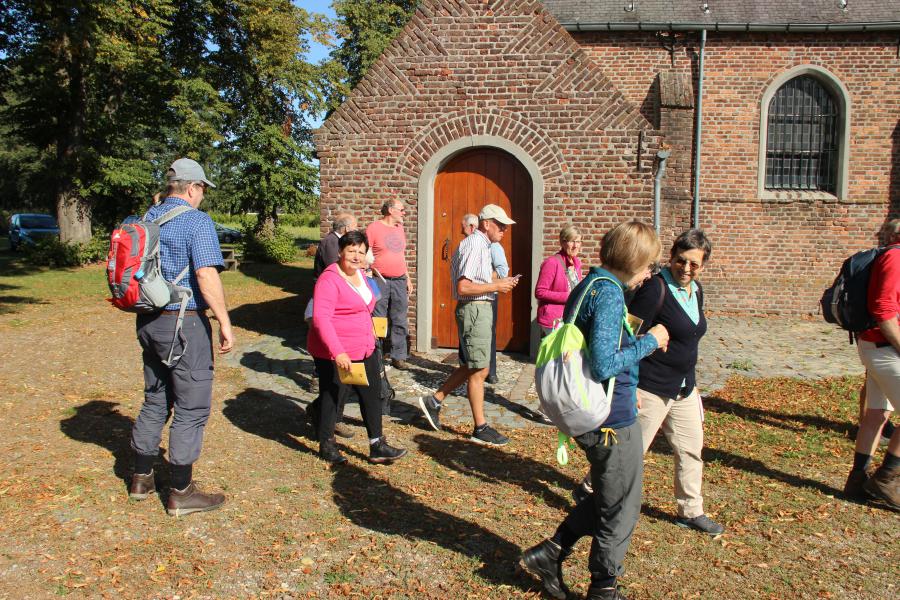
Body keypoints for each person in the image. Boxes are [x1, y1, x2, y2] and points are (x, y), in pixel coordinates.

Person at [521, 221, 669, 600]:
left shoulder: (590, 283)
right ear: (634, 260)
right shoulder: (608, 294)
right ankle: (604, 588)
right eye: (649, 264)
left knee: (608, 495)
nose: (650, 272)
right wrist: (651, 341)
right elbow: (604, 364)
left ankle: (551, 552)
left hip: (606, 410)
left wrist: (630, 383)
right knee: (620, 505)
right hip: (611, 421)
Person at [128, 158, 234, 517]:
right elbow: (205, 275)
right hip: (183, 323)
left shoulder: (149, 216)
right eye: (202, 189)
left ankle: (141, 477)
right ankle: (181, 491)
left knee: (155, 398)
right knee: (191, 407)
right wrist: (224, 321)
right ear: (192, 188)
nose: (203, 196)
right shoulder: (196, 221)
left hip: (148, 321)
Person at [627, 229, 724, 535]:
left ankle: (691, 510)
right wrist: (628, 386)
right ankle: (593, 491)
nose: (686, 268)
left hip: (684, 387)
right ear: (671, 257)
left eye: (694, 264)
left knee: (691, 450)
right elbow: (628, 332)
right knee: (630, 452)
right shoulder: (655, 289)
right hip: (650, 386)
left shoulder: (697, 291)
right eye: (681, 261)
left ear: (703, 266)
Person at [416, 204, 520, 446]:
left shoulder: (482, 245)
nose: (504, 229)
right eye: (500, 224)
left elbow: (477, 279)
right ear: (486, 223)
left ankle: (435, 400)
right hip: (475, 308)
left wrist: (499, 281)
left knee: (476, 365)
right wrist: (497, 286)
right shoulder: (475, 244)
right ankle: (480, 427)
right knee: (479, 369)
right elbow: (464, 287)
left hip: (479, 308)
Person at [307, 230, 408, 465]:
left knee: (372, 394)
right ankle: (327, 443)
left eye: (361, 252)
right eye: (351, 250)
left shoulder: (362, 275)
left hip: (365, 346)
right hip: (335, 350)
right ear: (341, 251)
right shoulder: (329, 279)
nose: (356, 256)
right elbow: (321, 319)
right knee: (334, 396)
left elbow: (368, 302)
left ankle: (377, 445)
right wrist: (337, 351)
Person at [843, 218, 900, 508]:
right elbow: (884, 310)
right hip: (885, 348)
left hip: (881, 347)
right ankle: (886, 478)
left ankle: (857, 480)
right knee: (877, 414)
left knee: (877, 414)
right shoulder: (895, 257)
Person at [308, 211, 359, 438]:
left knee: (344, 380)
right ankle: (327, 420)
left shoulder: (338, 243)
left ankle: (324, 413)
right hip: (331, 315)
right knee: (336, 379)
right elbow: (338, 272)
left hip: (345, 322)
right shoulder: (331, 243)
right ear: (346, 228)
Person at [366, 200, 413, 370]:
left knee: (400, 318)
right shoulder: (373, 228)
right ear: (391, 210)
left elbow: (400, 255)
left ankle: (398, 356)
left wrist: (407, 277)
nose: (404, 213)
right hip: (380, 280)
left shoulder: (399, 229)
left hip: (399, 280)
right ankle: (375, 355)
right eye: (401, 210)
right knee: (378, 318)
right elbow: (366, 254)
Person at [535, 225, 584, 336]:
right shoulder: (552, 263)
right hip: (554, 320)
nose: (575, 246)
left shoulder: (576, 263)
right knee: (557, 353)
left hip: (569, 318)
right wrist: (569, 296)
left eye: (578, 241)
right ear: (562, 242)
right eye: (572, 241)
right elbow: (540, 292)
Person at [486, 239, 509, 385]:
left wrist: (480, 275)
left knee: (489, 333)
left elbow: (503, 271)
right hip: (472, 295)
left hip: (489, 295)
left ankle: (491, 371)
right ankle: (469, 370)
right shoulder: (468, 245)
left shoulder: (494, 246)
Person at [314, 212, 358, 279]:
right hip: (328, 284)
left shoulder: (337, 240)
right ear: (347, 228)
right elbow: (334, 268)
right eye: (355, 228)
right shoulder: (331, 242)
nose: (356, 231)